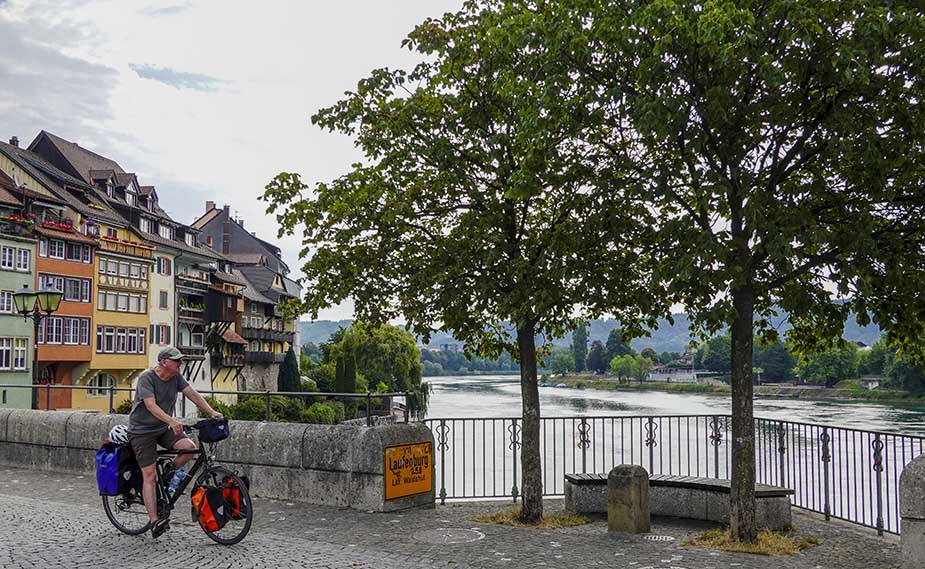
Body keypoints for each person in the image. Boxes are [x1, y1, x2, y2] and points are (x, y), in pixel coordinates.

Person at [127, 346, 222, 538]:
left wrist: (212, 412)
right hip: (142, 431)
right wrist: (171, 420)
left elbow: (193, 395)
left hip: (162, 428)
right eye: (177, 360)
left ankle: (169, 471)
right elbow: (150, 406)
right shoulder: (147, 378)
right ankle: (155, 521)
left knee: (189, 449)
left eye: (180, 360)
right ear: (164, 362)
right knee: (150, 475)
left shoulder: (176, 378)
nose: (180, 363)